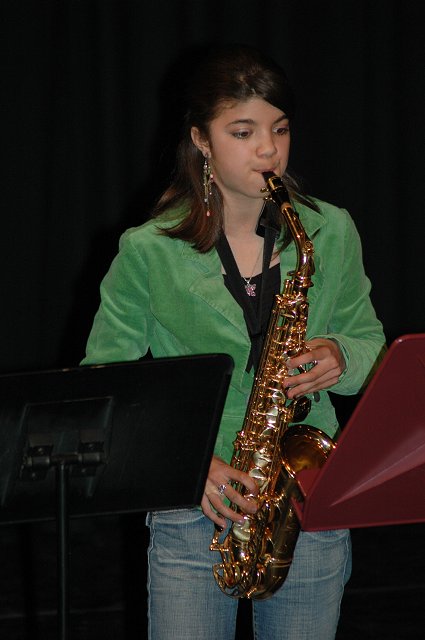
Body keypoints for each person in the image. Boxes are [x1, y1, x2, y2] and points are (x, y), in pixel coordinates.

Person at [81, 44, 385, 640]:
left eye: (280, 129)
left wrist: (341, 355)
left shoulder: (331, 229)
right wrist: (187, 466)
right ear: (201, 140)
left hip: (306, 501)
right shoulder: (147, 250)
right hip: (195, 504)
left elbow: (371, 343)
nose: (269, 150)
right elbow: (107, 388)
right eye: (243, 132)